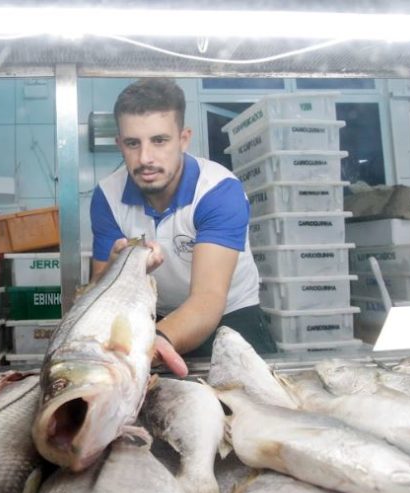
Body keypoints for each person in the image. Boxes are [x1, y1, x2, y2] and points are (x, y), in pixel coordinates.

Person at [90, 78, 277, 377]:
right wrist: (116, 269)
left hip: (229, 316)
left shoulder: (217, 190)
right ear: (119, 144)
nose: (145, 158)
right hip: (156, 317)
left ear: (183, 139)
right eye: (132, 143)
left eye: (160, 141)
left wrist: (155, 343)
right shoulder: (107, 197)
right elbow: (100, 296)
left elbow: (207, 299)